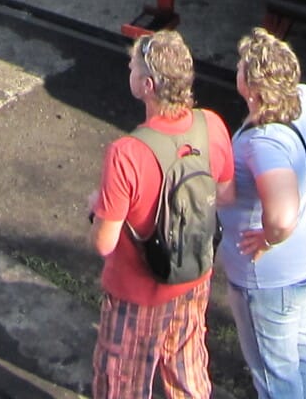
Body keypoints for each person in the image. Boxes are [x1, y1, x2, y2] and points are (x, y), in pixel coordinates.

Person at [90, 30, 236, 399]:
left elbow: (104, 243)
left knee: (121, 381)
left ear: (148, 85)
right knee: (186, 370)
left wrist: (98, 205)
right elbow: (227, 194)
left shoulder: (127, 153)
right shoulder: (212, 126)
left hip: (137, 292)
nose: (129, 68)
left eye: (133, 67)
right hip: (193, 279)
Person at [218, 29, 306, 399]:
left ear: (253, 89)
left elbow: (281, 217)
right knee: (301, 346)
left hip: (271, 278)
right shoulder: (303, 97)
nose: (237, 71)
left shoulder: (264, 142)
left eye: (241, 68)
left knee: (274, 373)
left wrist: (270, 236)